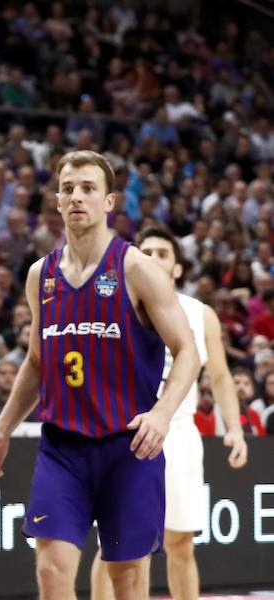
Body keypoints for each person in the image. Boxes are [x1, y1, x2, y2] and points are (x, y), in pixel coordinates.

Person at [0, 150, 200, 600]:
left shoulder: (138, 269)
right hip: (63, 448)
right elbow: (37, 362)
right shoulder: (41, 275)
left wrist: (160, 414)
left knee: (127, 580)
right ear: (57, 201)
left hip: (128, 446)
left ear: (109, 201)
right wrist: (2, 430)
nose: (77, 196)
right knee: (52, 570)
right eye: (68, 189)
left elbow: (189, 352)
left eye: (88, 188)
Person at [89, 227, 249, 600]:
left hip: (180, 435)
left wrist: (235, 429)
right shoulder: (114, 307)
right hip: (126, 436)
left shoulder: (200, 313)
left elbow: (221, 377)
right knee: (121, 546)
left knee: (180, 543)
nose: (154, 258)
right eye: (147, 251)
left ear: (177, 268)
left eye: (163, 252)